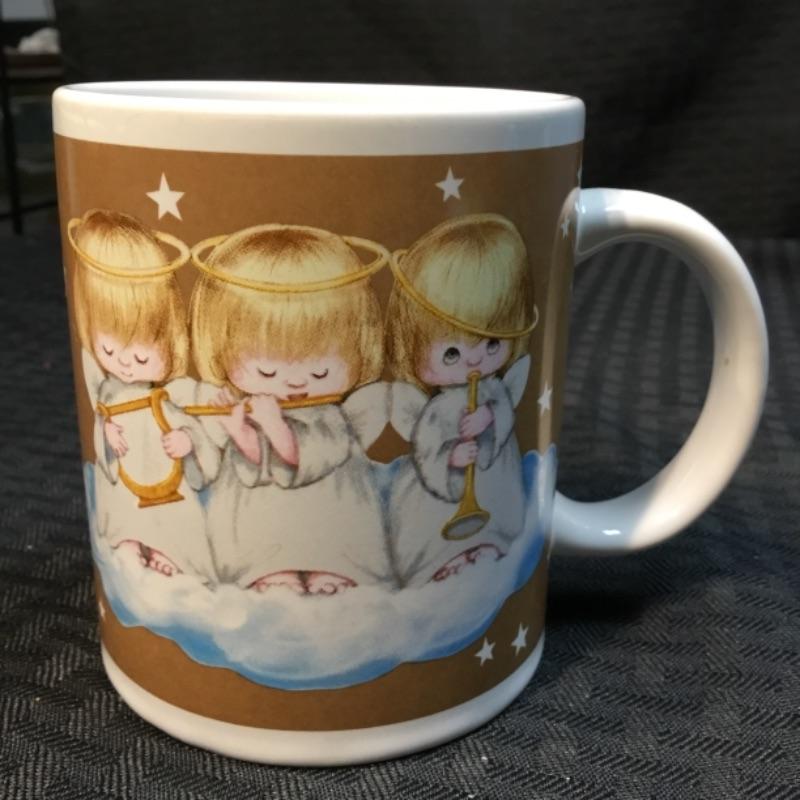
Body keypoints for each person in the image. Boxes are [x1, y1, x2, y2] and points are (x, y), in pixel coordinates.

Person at [190, 223, 393, 594]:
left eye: (320, 371)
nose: (296, 383)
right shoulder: (254, 409)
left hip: (327, 502)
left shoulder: (330, 416)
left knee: (328, 527)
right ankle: (268, 571)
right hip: (262, 514)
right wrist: (240, 431)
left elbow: (305, 458)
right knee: (256, 520)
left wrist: (274, 425)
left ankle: (331, 570)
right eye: (268, 372)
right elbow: (256, 467)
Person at [385, 214, 536, 588]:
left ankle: (491, 545)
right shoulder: (436, 410)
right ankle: (438, 563)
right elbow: (426, 448)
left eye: (491, 344)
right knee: (431, 522)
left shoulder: (493, 392)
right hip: (440, 491)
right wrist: (450, 458)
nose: (474, 361)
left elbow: (504, 414)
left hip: (493, 474)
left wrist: (490, 419)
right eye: (451, 352)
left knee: (498, 507)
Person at [70, 209, 220, 582]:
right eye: (109, 349)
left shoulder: (171, 395)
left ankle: (171, 552)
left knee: (175, 517)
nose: (125, 363)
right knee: (122, 508)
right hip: (129, 475)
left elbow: (197, 422)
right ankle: (130, 542)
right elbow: (100, 419)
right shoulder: (108, 390)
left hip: (168, 481)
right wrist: (106, 432)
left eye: (141, 357)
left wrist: (189, 441)